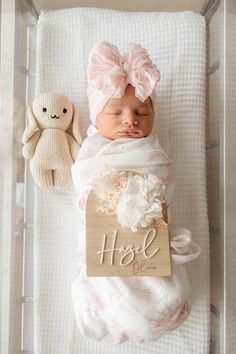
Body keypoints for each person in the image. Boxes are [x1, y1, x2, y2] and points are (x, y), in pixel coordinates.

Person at [71, 41, 200, 343]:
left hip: (146, 235)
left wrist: (147, 198)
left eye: (142, 112)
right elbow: (83, 187)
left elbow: (163, 178)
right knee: (106, 272)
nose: (131, 120)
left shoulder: (151, 150)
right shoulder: (92, 152)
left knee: (163, 283)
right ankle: (111, 312)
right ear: (96, 116)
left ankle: (149, 312)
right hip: (106, 238)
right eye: (116, 112)